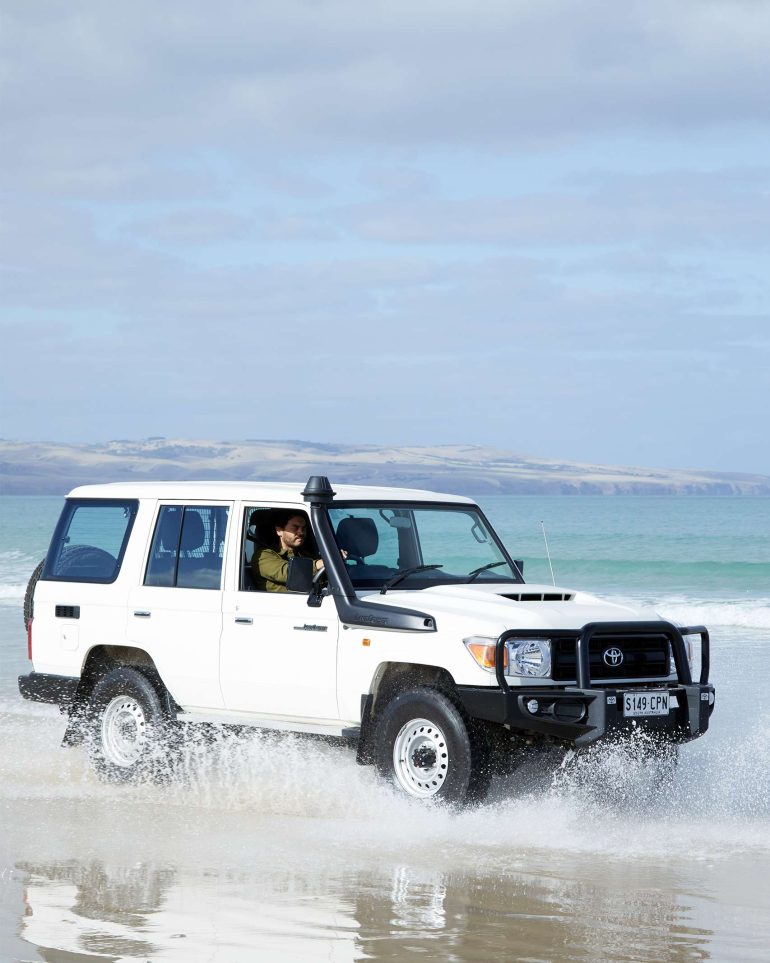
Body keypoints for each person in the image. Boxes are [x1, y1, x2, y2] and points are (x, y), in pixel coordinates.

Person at [253, 511, 324, 592]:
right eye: (295, 527)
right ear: (279, 531)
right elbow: (288, 573)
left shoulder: (304, 554)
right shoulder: (263, 555)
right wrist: (323, 563)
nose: (301, 532)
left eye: (303, 528)